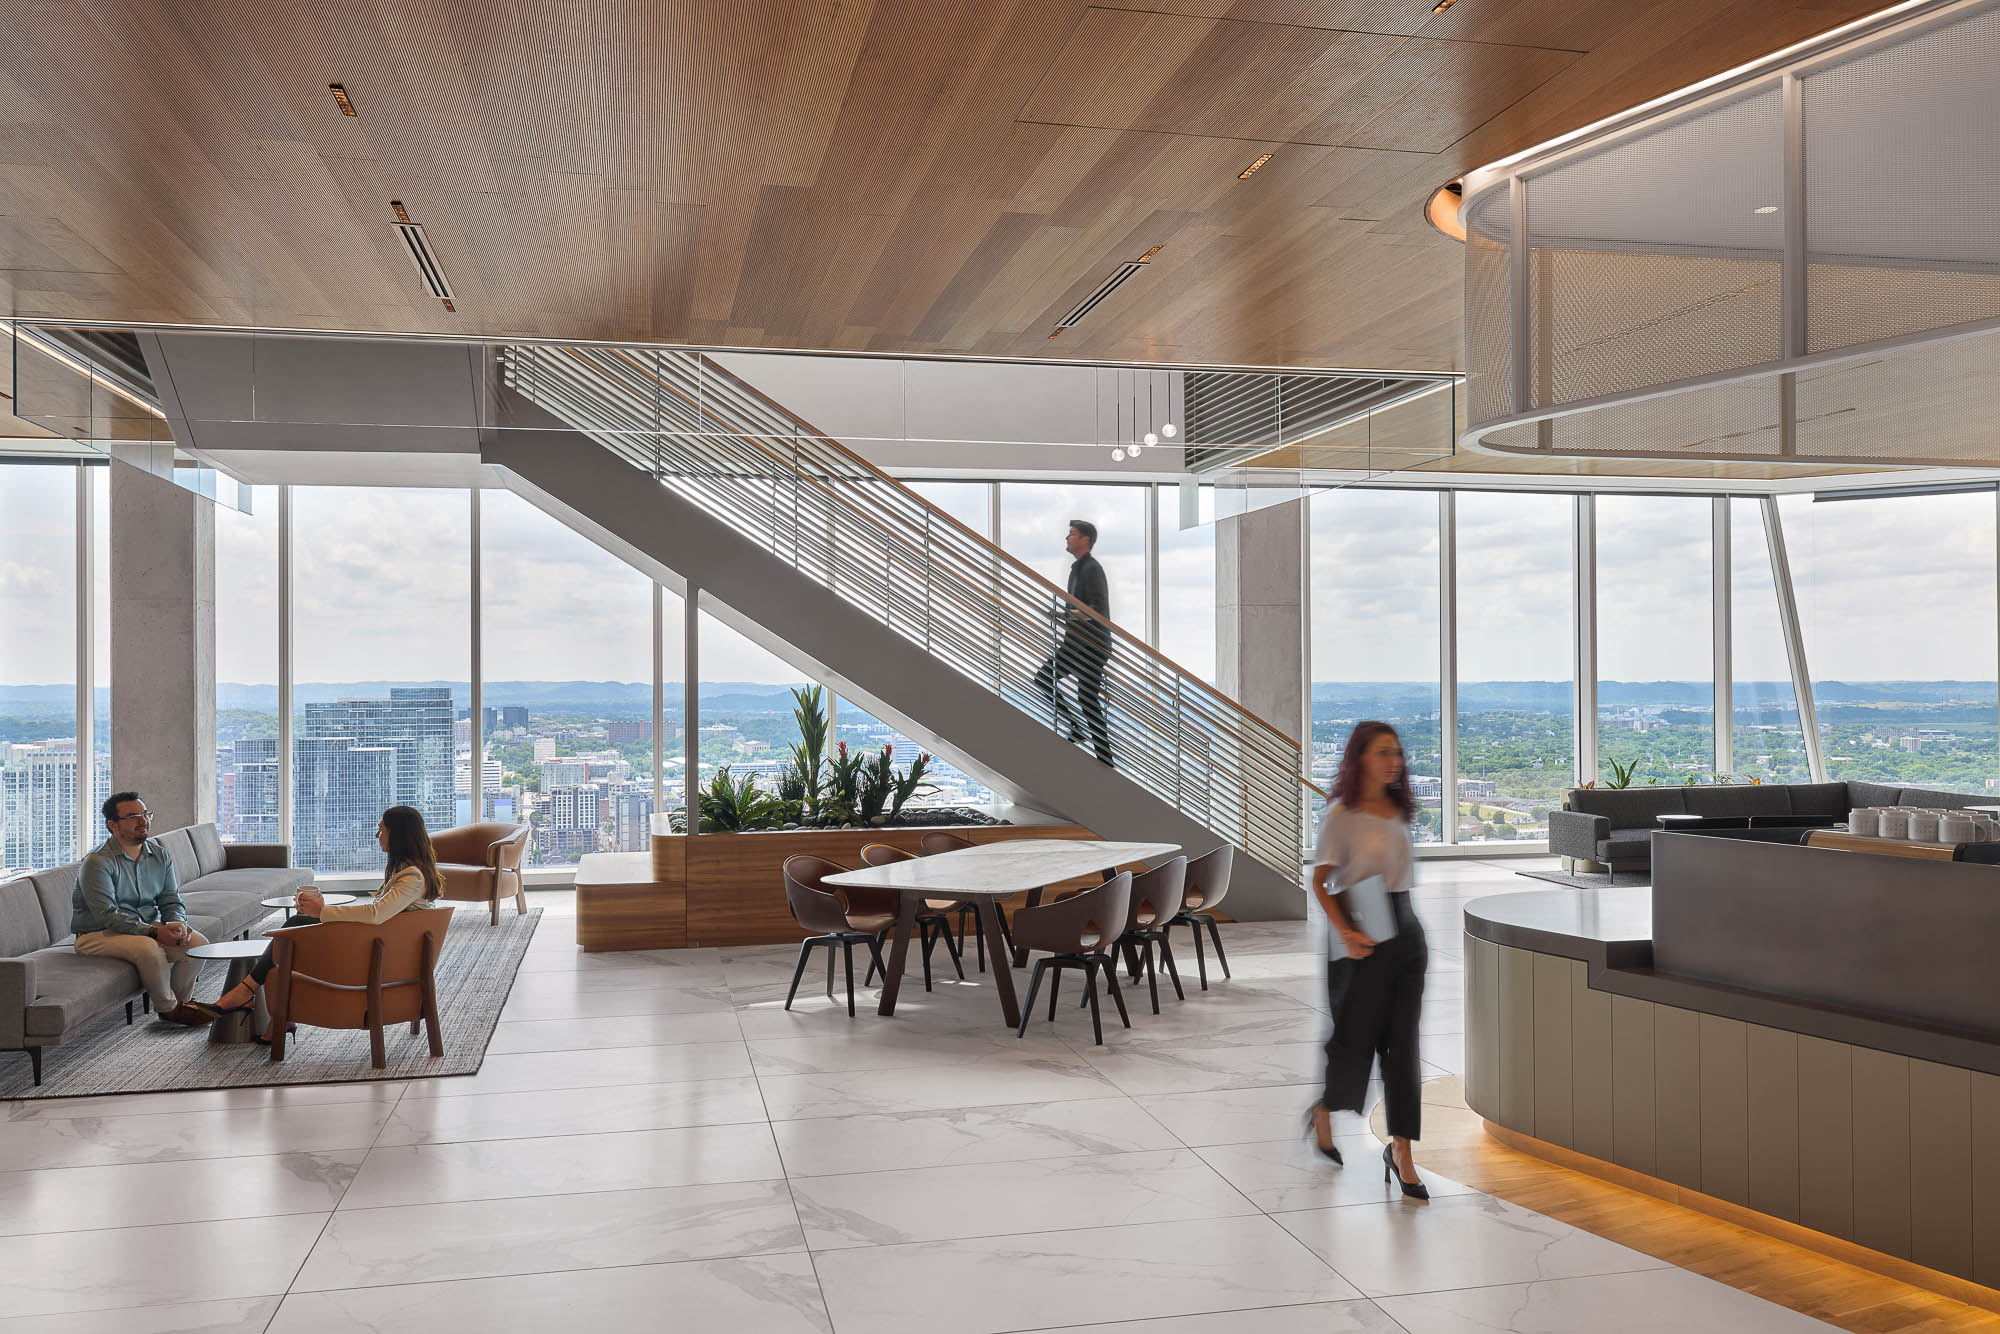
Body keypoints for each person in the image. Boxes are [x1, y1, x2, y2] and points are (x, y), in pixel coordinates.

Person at [1308, 721, 1430, 1200]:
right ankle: (1325, 1108)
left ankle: (1401, 1151)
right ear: (1360, 757)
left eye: (1397, 752)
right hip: (1359, 933)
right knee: (1354, 1040)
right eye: (1383, 752)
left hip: (1406, 930)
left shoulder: (1399, 808)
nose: (1393, 761)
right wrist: (1348, 932)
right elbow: (1321, 881)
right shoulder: (1341, 814)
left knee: (1403, 1047)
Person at [213, 805, 443, 1014]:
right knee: (297, 930)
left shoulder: (412, 877)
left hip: (382, 957)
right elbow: (380, 912)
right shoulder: (408, 871)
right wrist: (322, 911)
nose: (376, 835)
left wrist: (322, 912)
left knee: (294, 930)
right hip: (381, 946)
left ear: (398, 835)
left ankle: (248, 992)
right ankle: (272, 1011)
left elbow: (377, 914)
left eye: (381, 830)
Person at [73, 793, 217, 1026]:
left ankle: (181, 1004)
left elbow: (170, 899)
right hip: (97, 933)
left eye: (145, 814)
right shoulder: (97, 862)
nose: (143, 821)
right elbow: (107, 915)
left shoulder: (159, 854)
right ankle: (168, 1008)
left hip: (146, 927)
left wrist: (176, 924)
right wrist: (153, 932)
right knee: (147, 946)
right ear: (113, 824)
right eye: (133, 816)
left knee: (198, 945)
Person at [1031, 518, 1113, 766]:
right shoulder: (1077, 569)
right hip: (1075, 644)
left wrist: (1065, 615)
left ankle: (1104, 758)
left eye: (1072, 534)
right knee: (1045, 678)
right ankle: (1077, 727)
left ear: (1085, 539)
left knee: (1087, 698)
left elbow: (1096, 610)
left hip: (1091, 646)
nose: (1067, 538)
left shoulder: (1091, 569)